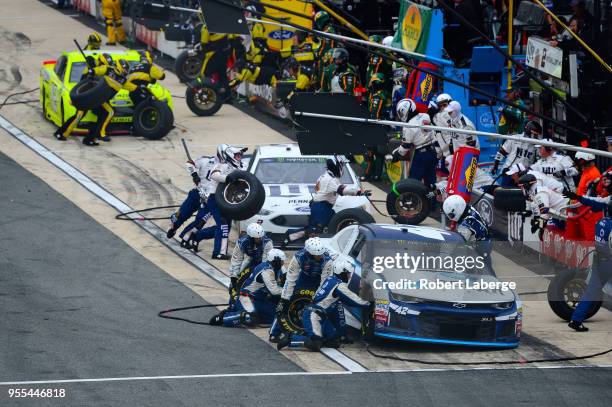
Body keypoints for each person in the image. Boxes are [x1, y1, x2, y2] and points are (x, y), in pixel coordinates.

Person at [277, 258, 370, 351]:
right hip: (313, 315)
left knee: (334, 341)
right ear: (342, 272)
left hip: (322, 317)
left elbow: (338, 312)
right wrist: (369, 303)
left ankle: (317, 337)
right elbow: (353, 300)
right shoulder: (339, 285)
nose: (349, 276)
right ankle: (290, 338)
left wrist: (343, 334)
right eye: (348, 273)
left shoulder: (330, 279)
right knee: (315, 344)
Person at [282, 157, 370, 246]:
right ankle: (289, 236)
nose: (342, 168)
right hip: (321, 207)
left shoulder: (326, 176)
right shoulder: (329, 179)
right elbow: (342, 190)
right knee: (314, 230)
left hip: (323, 206)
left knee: (329, 226)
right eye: (341, 166)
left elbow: (320, 188)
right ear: (336, 166)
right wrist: (359, 192)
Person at [562, 188, 611, 332]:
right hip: (609, 261)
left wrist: (577, 196)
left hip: (598, 259)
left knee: (591, 292)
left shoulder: (601, 222)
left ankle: (576, 320)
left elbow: (594, 202)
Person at [269, 237, 334, 342]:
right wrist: (284, 299)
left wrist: (317, 298)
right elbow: (290, 280)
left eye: (321, 254)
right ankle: (274, 332)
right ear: (309, 253)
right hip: (303, 278)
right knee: (284, 304)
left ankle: (317, 331)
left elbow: (325, 284)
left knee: (320, 304)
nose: (320, 256)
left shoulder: (328, 260)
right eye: (317, 255)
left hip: (319, 281)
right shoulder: (299, 257)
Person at [211, 249, 288, 327]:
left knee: (276, 316)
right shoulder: (266, 270)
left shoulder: (276, 268)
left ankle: (247, 313)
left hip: (259, 299)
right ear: (275, 261)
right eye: (281, 261)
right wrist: (289, 292)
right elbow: (274, 291)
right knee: (250, 318)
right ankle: (223, 318)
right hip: (246, 297)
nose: (283, 263)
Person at [166, 154, 216, 249]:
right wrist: (194, 174)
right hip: (197, 192)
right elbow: (189, 164)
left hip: (210, 199)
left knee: (200, 221)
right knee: (182, 214)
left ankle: (185, 238)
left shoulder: (228, 166)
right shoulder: (205, 160)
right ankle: (174, 227)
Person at [391, 98, 441, 191]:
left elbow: (405, 146)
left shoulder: (408, 126)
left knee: (413, 183)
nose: (401, 115)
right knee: (431, 183)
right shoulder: (425, 115)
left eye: (402, 113)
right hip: (433, 151)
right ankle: (431, 203)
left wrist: (396, 155)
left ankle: (413, 202)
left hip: (421, 155)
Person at [227, 223, 274, 308]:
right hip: (251, 260)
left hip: (267, 264)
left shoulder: (268, 243)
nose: (260, 239)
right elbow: (236, 260)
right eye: (258, 238)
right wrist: (233, 278)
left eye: (261, 237)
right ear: (251, 238)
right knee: (233, 284)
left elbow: (265, 264)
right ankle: (232, 305)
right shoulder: (242, 242)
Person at [443, 194, 492, 266]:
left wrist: (448, 260)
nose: (450, 218)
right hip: (486, 238)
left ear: (457, 209)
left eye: (451, 215)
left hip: (481, 246)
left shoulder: (465, 226)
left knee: (482, 268)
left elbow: (459, 244)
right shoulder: (469, 208)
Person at [490, 120, 539, 185]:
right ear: (528, 131)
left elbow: (538, 161)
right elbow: (502, 152)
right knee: (504, 192)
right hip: (509, 171)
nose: (535, 136)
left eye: (536, 135)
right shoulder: (515, 138)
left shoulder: (538, 144)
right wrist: (495, 165)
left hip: (525, 175)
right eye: (534, 134)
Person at [362, 73, 389, 181]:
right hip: (380, 125)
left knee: (374, 152)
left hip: (376, 126)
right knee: (376, 152)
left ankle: (371, 175)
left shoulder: (378, 96)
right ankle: (375, 175)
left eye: (373, 82)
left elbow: (374, 113)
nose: (371, 84)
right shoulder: (381, 93)